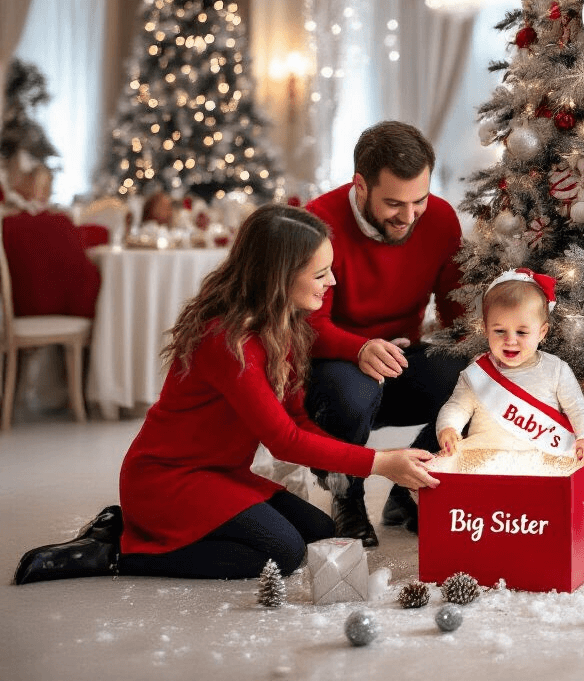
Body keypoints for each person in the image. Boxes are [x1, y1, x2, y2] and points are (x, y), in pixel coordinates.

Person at [13, 204, 438, 585]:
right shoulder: (227, 340)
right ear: (280, 276)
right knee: (283, 554)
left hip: (220, 473)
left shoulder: (286, 326)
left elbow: (297, 421)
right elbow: (284, 441)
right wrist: (382, 463)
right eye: (320, 273)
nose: (332, 281)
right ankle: (116, 555)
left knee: (320, 532)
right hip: (169, 478)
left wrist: (368, 463)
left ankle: (123, 525)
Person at [304, 121, 466, 547]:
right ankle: (347, 498)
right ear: (360, 185)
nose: (409, 217)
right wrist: (358, 348)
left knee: (472, 374)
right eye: (394, 203)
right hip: (334, 370)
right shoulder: (318, 221)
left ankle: (410, 490)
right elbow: (305, 325)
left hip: (401, 361)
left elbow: (456, 314)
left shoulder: (441, 220)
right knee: (349, 388)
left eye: (419, 200)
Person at [437, 268, 584, 464]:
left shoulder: (556, 369)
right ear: (485, 329)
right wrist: (448, 427)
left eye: (521, 332)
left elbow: (578, 409)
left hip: (541, 463)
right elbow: (457, 406)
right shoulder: (477, 374)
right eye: (499, 331)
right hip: (483, 460)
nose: (510, 340)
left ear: (542, 332)